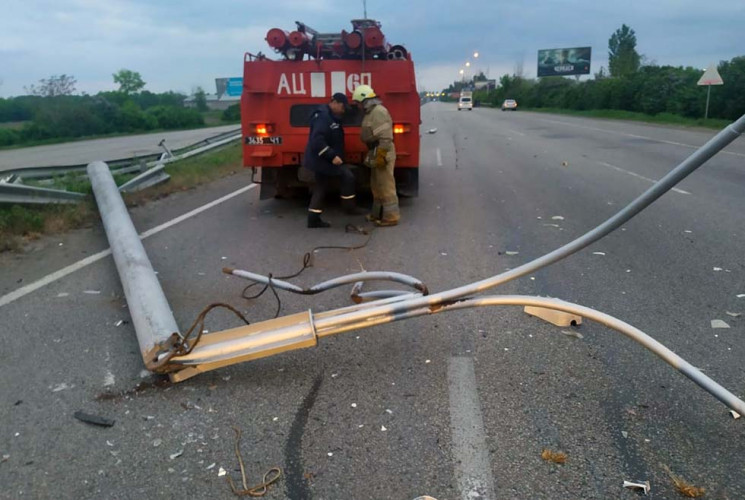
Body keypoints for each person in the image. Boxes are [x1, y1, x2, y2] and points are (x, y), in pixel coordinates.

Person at [302, 92, 362, 228]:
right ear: (334, 103)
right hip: (323, 159)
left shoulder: (332, 116)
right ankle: (349, 208)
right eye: (342, 106)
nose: (343, 109)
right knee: (347, 176)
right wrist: (332, 156)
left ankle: (313, 219)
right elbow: (317, 141)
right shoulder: (323, 117)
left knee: (321, 187)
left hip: (324, 159)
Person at [352, 84, 400, 227]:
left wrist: (381, 155)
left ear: (364, 100)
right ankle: (377, 214)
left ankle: (391, 216)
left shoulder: (378, 112)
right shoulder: (370, 113)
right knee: (376, 185)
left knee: (386, 185)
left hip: (382, 151)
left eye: (358, 103)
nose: (357, 106)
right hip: (375, 151)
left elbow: (385, 137)